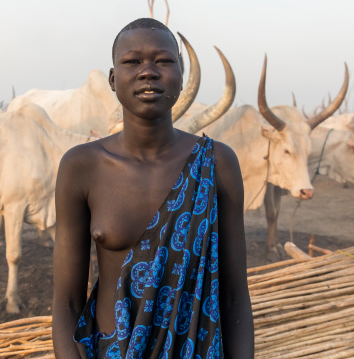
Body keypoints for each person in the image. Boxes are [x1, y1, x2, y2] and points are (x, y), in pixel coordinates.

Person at [52, 18, 254, 359]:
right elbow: (66, 303)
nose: (148, 71)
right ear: (114, 79)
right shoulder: (81, 166)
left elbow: (235, 297)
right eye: (132, 62)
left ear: (181, 75)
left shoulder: (217, 163)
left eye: (163, 61)